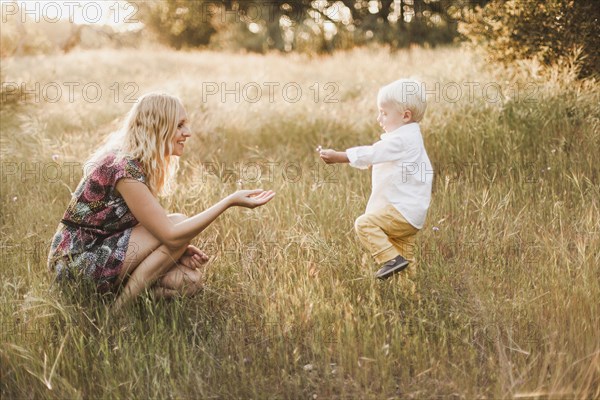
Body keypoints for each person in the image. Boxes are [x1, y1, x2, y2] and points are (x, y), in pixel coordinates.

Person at [47, 93, 276, 312]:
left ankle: (110, 301)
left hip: (103, 252)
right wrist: (229, 202)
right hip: (74, 265)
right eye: (179, 125)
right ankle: (117, 314)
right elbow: (170, 234)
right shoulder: (123, 168)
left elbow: (147, 229)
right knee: (177, 224)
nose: (188, 132)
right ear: (158, 128)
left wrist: (178, 249)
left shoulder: (138, 163)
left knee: (190, 281)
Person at [319, 78, 433, 280]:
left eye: (384, 113)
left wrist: (339, 156)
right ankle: (411, 295)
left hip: (402, 211)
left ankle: (390, 260)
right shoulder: (412, 138)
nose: (379, 118)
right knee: (406, 261)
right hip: (412, 215)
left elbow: (373, 153)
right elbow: (389, 160)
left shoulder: (401, 139)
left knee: (364, 224)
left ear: (405, 116)